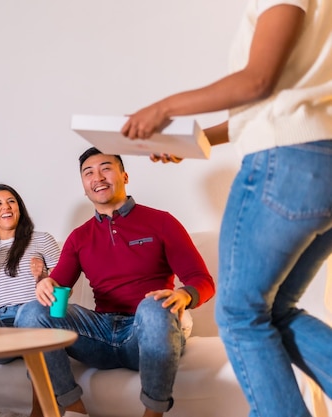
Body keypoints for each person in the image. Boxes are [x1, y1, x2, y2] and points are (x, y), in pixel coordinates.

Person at [120, 2, 332, 416]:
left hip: (285, 163)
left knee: (239, 316)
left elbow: (258, 81)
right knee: (273, 311)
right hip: (321, 163)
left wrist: (163, 109)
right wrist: (194, 140)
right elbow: (280, 100)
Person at [15, 147, 215, 417]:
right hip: (99, 334)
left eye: (105, 168)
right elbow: (57, 285)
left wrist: (184, 296)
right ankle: (73, 408)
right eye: (89, 172)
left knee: (153, 305)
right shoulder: (79, 237)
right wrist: (45, 284)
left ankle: (153, 413)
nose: (98, 177)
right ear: (84, 186)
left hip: (147, 331)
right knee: (30, 313)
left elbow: (202, 280)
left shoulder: (162, 222)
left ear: (124, 175)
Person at [0, 184, 61, 417]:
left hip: (33, 318)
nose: (6, 207)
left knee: (34, 315)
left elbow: (61, 290)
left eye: (11, 201)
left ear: (19, 208)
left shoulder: (42, 240)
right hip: (1, 328)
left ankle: (38, 410)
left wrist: (42, 277)